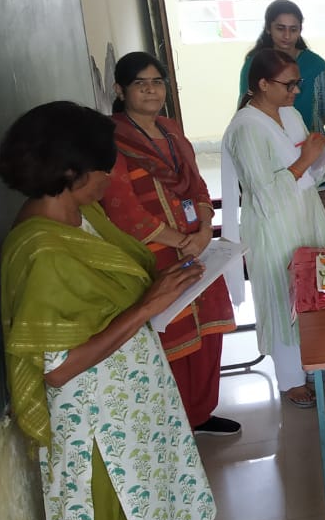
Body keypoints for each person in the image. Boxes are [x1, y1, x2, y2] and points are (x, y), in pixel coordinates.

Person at [0, 101, 215, 520]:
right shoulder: (41, 249)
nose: (110, 181)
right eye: (104, 171)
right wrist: (147, 306)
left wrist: (168, 283)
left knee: (155, 507)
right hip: (95, 419)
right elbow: (60, 368)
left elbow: (125, 282)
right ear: (72, 175)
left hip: (132, 396)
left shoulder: (80, 218)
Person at [101, 52, 240, 437]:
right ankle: (173, 424)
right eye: (140, 83)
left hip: (195, 245)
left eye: (157, 82)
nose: (150, 90)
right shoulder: (111, 139)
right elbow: (123, 210)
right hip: (154, 253)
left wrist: (202, 229)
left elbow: (196, 183)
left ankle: (200, 414)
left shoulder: (171, 130)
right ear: (120, 90)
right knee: (172, 337)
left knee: (208, 333)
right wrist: (180, 240)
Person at [222, 48, 325, 408]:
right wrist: (305, 160)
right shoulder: (245, 128)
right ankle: (291, 378)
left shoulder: (291, 114)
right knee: (285, 298)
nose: (296, 91)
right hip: (273, 225)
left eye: (297, 83)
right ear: (262, 84)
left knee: (318, 288)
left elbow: (311, 176)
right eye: (289, 84)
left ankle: (323, 359)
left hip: (305, 214)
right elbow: (263, 194)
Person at [237, 0, 325, 134]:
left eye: (293, 29)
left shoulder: (315, 65)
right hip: (266, 139)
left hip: (310, 141)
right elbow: (245, 106)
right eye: (280, 28)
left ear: (300, 30)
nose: (287, 36)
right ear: (268, 28)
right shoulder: (254, 64)